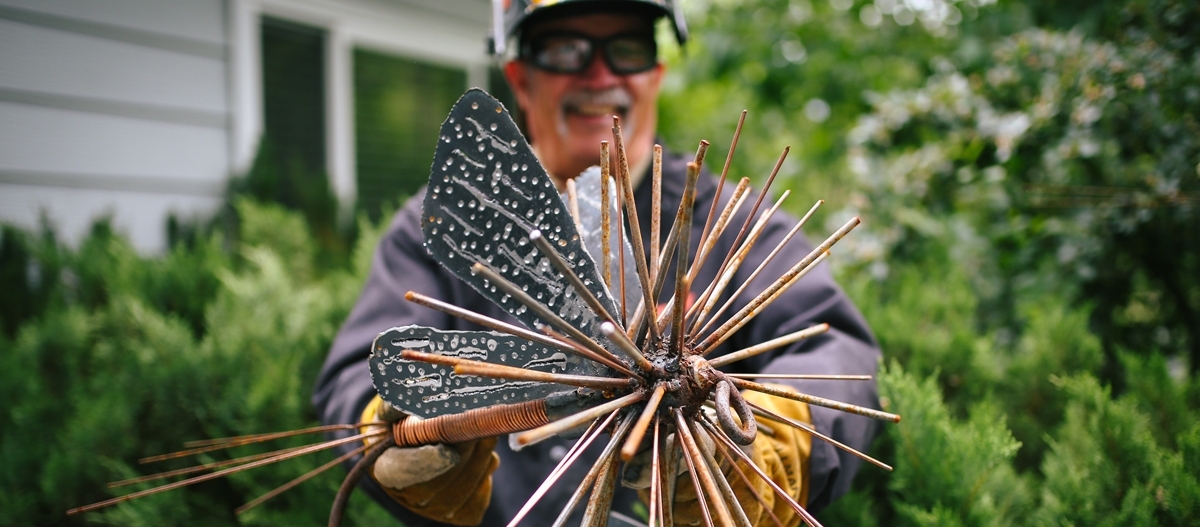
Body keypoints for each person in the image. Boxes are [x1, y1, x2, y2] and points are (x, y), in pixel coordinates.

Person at [312, 1, 883, 525]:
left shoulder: (733, 224)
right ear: (521, 79)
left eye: (627, 47)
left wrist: (761, 447)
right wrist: (391, 427)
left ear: (655, 74)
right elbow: (355, 375)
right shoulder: (447, 228)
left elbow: (839, 356)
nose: (601, 75)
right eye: (566, 49)